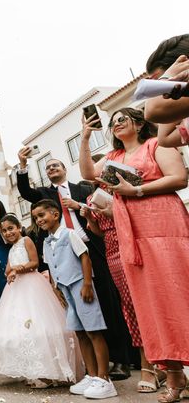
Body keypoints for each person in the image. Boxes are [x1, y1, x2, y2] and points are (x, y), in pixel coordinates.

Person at [79, 107, 189, 402]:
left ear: (140, 124)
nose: (116, 125)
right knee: (150, 303)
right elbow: (88, 173)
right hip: (132, 233)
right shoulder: (113, 158)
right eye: (112, 123)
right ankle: (175, 377)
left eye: (122, 120)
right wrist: (86, 137)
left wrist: (135, 191)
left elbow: (179, 178)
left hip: (164, 225)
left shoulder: (155, 145)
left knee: (178, 294)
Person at [16, 149, 133, 380]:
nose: (51, 169)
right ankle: (97, 366)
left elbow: (100, 210)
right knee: (82, 309)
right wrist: (22, 166)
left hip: (93, 249)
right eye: (47, 167)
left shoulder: (83, 189)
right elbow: (25, 191)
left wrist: (78, 205)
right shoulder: (43, 194)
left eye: (55, 165)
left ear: (64, 169)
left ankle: (121, 359)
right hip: (66, 255)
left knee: (108, 302)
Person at [80, 128, 163, 394]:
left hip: (135, 241)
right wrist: (92, 217)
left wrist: (113, 211)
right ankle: (149, 361)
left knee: (148, 300)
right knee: (130, 305)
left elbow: (136, 218)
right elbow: (97, 231)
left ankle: (157, 362)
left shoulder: (124, 190)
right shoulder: (93, 196)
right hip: (112, 251)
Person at [31, 200, 117, 399]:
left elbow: (84, 257)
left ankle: (105, 378)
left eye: (42, 215)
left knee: (93, 331)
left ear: (54, 214)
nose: (39, 220)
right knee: (80, 333)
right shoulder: (46, 241)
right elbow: (51, 266)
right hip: (65, 290)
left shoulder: (69, 234)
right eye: (36, 218)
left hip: (80, 287)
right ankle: (92, 375)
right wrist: (55, 288)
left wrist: (87, 284)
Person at [0, 214, 82, 387]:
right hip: (16, 289)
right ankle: (34, 370)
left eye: (11, 228)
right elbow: (7, 269)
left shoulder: (26, 241)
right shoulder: (12, 248)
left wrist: (17, 268)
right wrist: (10, 272)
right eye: (5, 231)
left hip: (32, 285)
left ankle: (48, 374)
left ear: (18, 227)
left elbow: (34, 262)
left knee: (40, 326)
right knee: (21, 328)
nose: (8, 233)